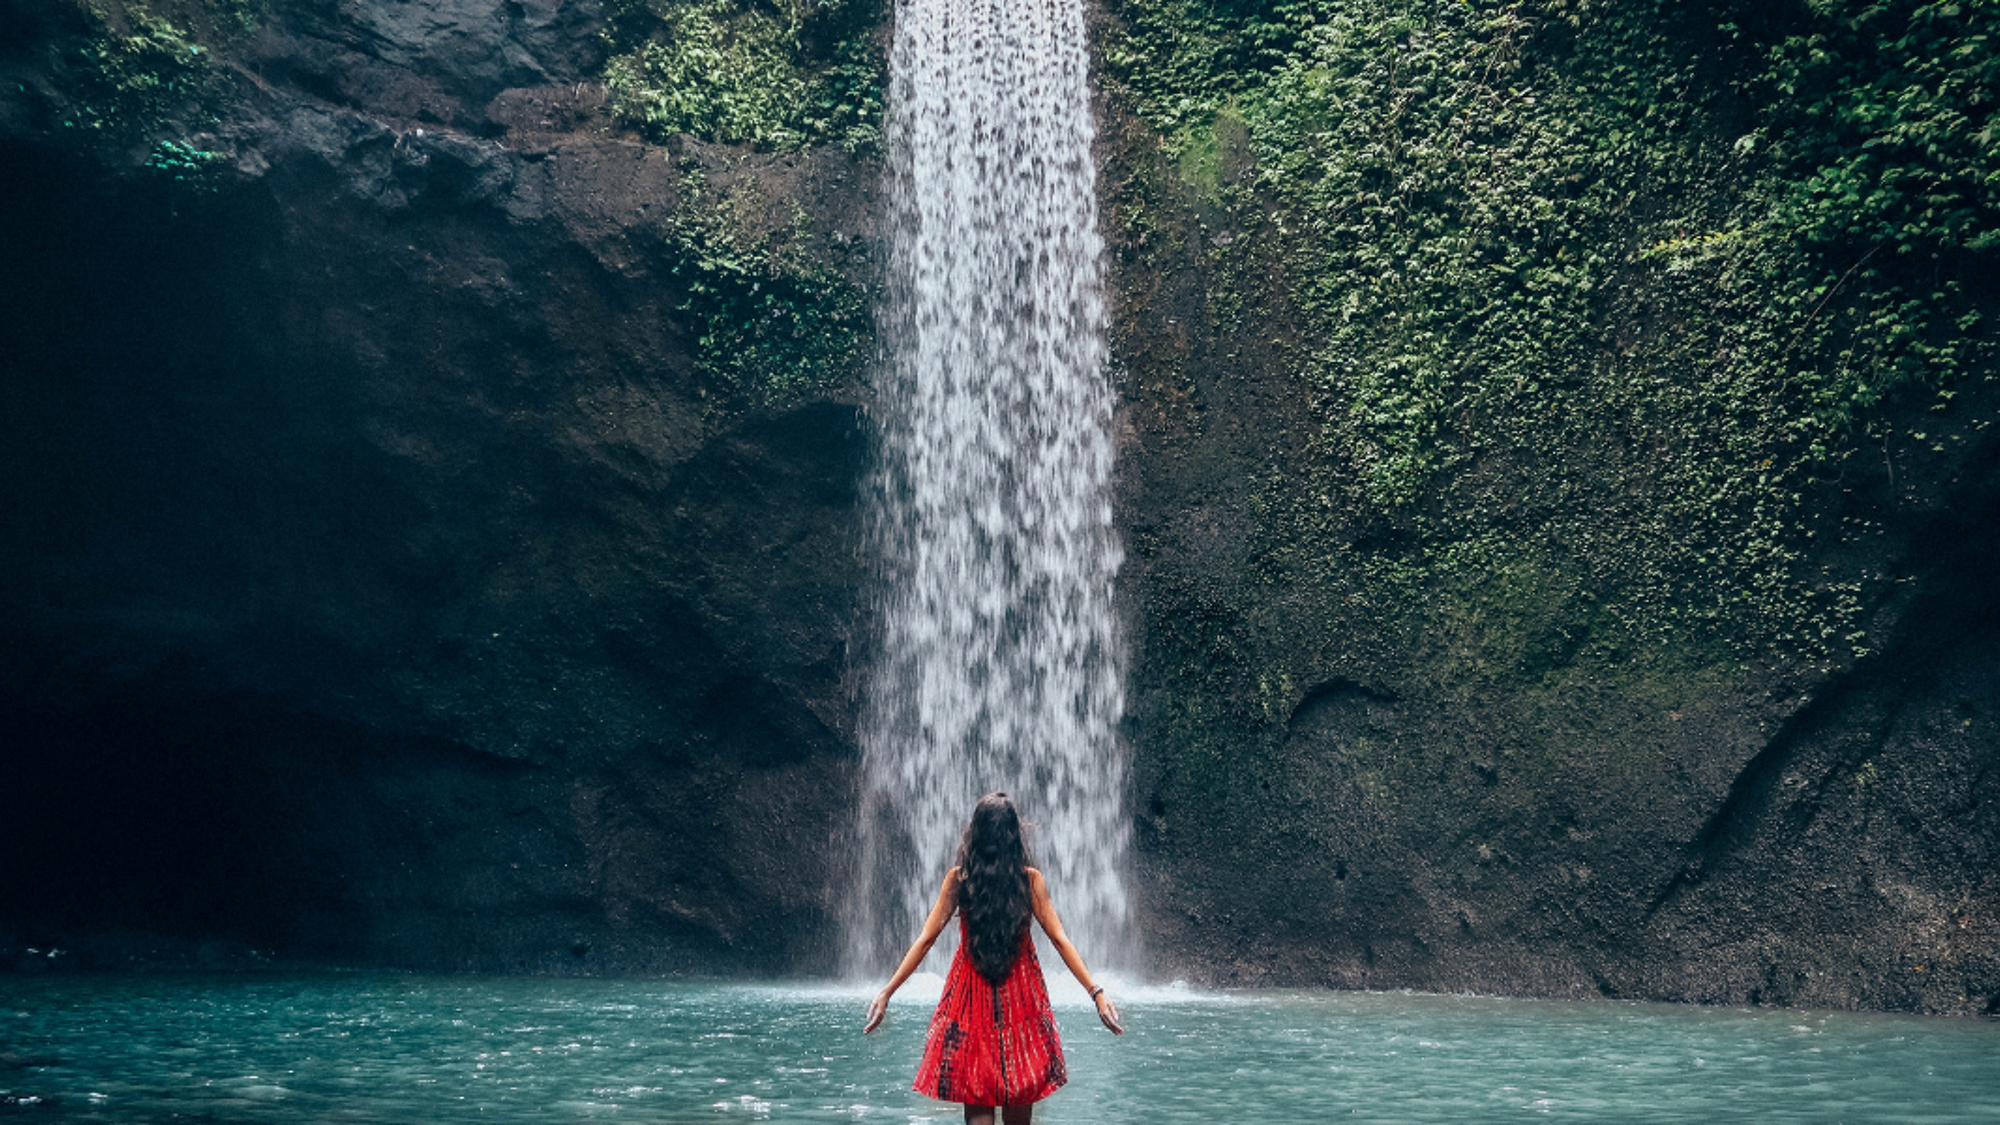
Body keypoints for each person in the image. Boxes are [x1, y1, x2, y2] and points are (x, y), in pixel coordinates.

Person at [864, 792, 1123, 1124]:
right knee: (1019, 1102)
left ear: (975, 832)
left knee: (977, 1101)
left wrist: (887, 991)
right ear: (1015, 835)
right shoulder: (1030, 880)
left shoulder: (959, 879)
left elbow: (926, 939)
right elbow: (1059, 939)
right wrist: (1096, 992)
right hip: (1021, 1002)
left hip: (969, 1001)